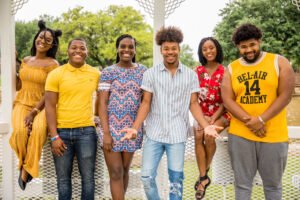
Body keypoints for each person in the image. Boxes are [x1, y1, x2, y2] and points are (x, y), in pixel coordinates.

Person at [121, 26, 222, 200]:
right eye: (166, 48)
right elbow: (146, 103)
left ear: (179, 49)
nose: (170, 52)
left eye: (173, 48)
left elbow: (193, 104)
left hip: (177, 136)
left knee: (176, 181)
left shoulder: (190, 75)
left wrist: (206, 126)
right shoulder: (150, 74)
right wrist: (135, 128)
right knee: (146, 177)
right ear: (161, 50)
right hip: (154, 134)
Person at [221, 23, 295, 200]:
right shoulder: (232, 68)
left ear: (259, 41)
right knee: (242, 186)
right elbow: (228, 100)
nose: (249, 50)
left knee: (273, 186)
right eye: (243, 47)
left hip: (274, 135)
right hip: (241, 135)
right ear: (238, 47)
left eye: (252, 45)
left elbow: (285, 95)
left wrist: (261, 119)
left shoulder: (279, 62)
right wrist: (251, 121)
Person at [9, 20, 61, 190]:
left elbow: (50, 91)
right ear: (36, 38)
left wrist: (34, 112)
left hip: (43, 105)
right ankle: (27, 165)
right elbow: (18, 85)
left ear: (52, 44)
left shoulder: (53, 64)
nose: (42, 41)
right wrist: (14, 63)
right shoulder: (26, 60)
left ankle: (26, 170)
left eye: (48, 40)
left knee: (38, 131)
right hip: (22, 102)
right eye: (41, 37)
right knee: (19, 132)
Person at [45, 38, 100, 200]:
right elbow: (49, 106)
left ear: (87, 52)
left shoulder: (96, 73)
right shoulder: (56, 74)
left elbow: (105, 99)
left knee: (88, 179)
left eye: (82, 48)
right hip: (61, 134)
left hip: (87, 133)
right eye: (74, 48)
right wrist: (54, 135)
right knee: (63, 180)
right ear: (67, 51)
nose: (78, 51)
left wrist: (96, 116)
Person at [97, 34, 147, 199]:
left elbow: (146, 101)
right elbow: (102, 103)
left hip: (132, 129)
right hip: (110, 128)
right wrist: (106, 133)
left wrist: (136, 127)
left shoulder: (143, 71)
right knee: (116, 171)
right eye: (123, 46)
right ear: (117, 49)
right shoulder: (108, 72)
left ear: (134, 49)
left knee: (124, 170)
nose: (127, 50)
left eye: (130, 47)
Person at [193, 37, 230, 199]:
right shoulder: (197, 72)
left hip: (221, 112)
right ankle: (203, 177)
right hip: (201, 113)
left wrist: (213, 119)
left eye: (211, 48)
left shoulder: (226, 71)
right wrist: (203, 119)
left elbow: (226, 100)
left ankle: (203, 178)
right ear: (201, 52)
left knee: (209, 134)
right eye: (205, 49)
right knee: (198, 134)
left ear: (217, 49)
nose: (209, 51)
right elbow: (193, 100)